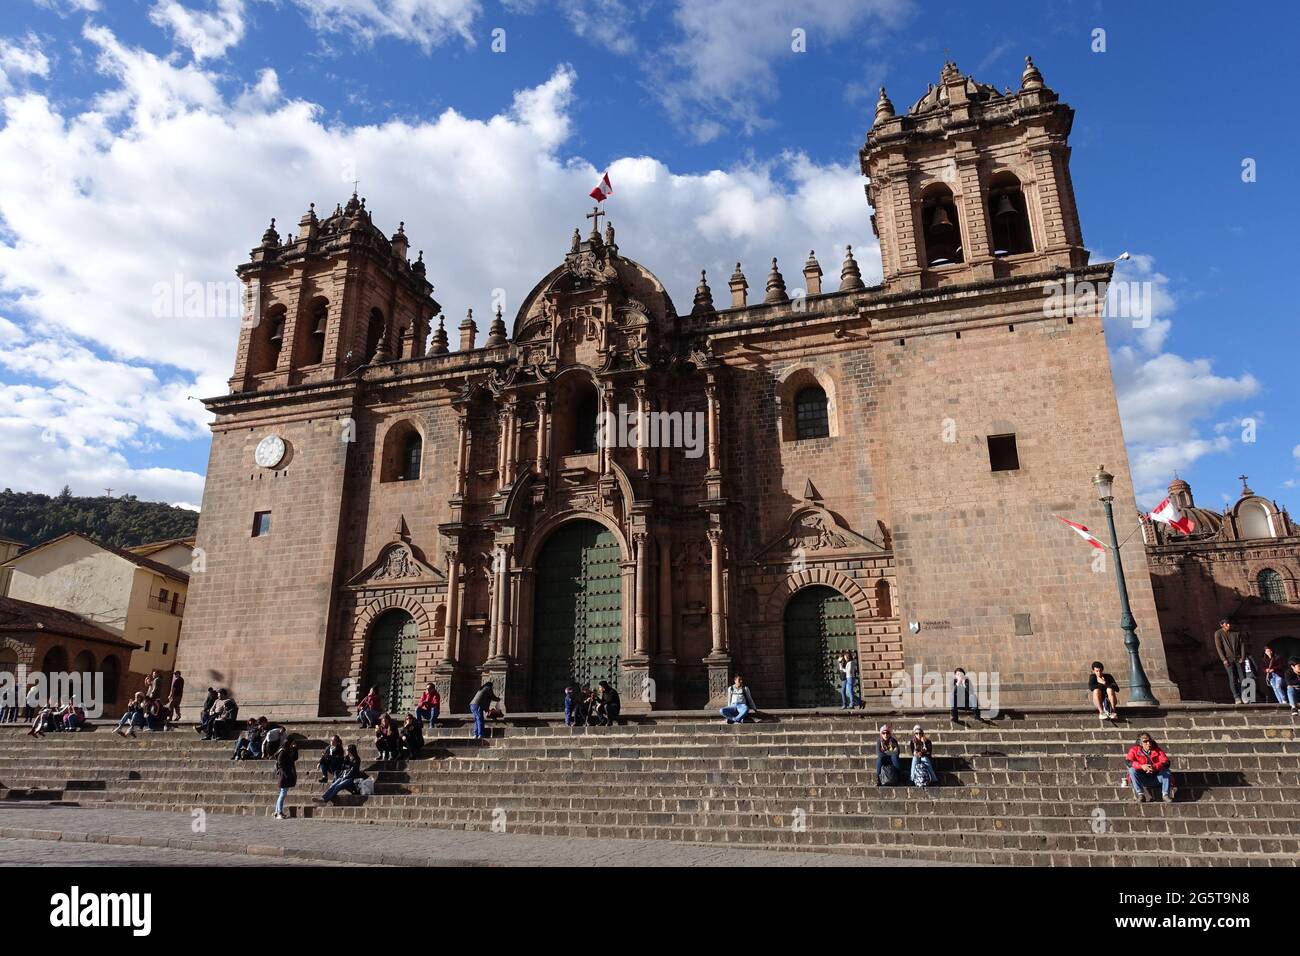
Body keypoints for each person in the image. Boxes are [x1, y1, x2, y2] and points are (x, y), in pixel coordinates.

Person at [1125, 732, 1175, 802]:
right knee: (1132, 770)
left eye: (1150, 741)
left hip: (1156, 778)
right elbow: (1128, 762)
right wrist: (1142, 766)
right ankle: (1140, 795)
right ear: (1140, 743)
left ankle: (1165, 795)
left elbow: (1166, 762)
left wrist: (1154, 767)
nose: (1148, 743)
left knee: (1167, 772)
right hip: (1142, 779)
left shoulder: (1157, 750)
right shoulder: (1134, 750)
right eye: (1145, 741)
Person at [1213, 618, 1248, 704]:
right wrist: (1224, 659)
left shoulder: (1236, 633)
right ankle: (1236, 697)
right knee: (1232, 678)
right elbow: (1219, 648)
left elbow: (1242, 645)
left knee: (1243, 678)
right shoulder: (1218, 633)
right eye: (1226, 624)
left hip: (1237, 658)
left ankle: (1244, 696)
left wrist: (1242, 657)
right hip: (1228, 659)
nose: (1229, 625)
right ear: (1222, 625)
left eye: (1229, 624)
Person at [273, 738, 298, 819]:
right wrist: (285, 773)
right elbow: (280, 764)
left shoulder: (288, 751)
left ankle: (277, 812)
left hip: (286, 775)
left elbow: (294, 758)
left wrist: (295, 749)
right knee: (283, 793)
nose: (292, 745)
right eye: (292, 743)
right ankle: (279, 812)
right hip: (284, 775)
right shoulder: (283, 751)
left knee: (282, 793)